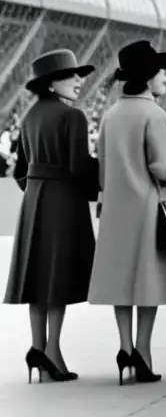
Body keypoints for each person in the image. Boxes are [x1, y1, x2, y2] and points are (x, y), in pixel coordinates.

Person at [87, 41, 166, 385]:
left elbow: (101, 170)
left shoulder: (111, 115)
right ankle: (143, 351)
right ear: (148, 77)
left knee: (122, 283)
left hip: (116, 210)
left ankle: (124, 347)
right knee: (147, 283)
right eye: (163, 73)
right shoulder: (154, 114)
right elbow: (165, 168)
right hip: (148, 208)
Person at [4, 49, 99, 383]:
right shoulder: (73, 117)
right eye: (70, 75)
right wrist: (100, 179)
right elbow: (79, 166)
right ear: (51, 82)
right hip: (63, 201)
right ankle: (53, 352)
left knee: (38, 278)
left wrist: (35, 187)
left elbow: (18, 170)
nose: (78, 80)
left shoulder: (29, 116)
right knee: (58, 278)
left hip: (34, 201)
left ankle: (36, 347)